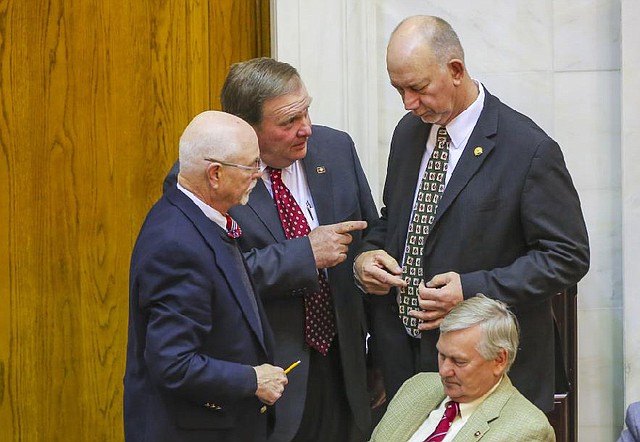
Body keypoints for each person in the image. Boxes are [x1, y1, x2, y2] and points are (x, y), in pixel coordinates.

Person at [355, 15, 590, 413]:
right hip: (406, 367)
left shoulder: (528, 149)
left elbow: (567, 257)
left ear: (456, 70)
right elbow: (395, 220)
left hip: (486, 373)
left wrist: (473, 288)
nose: (408, 103)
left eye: (418, 88)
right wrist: (367, 256)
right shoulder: (408, 133)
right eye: (398, 90)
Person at [164, 58, 380, 441]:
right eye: (288, 122)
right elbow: (212, 274)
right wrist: (303, 256)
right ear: (247, 129)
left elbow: (370, 231)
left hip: (345, 367)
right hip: (270, 378)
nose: (306, 129)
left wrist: (366, 258)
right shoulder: (207, 177)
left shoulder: (336, 149)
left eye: (306, 110)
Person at [124, 111, 288, 442]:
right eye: (250, 167)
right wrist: (252, 379)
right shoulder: (176, 244)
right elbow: (174, 364)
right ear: (215, 174)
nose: (258, 176)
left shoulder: (198, 217)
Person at [370, 294, 556, 442]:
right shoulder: (417, 386)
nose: (444, 371)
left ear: (499, 360)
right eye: (442, 356)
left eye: (459, 362)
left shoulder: (527, 429)